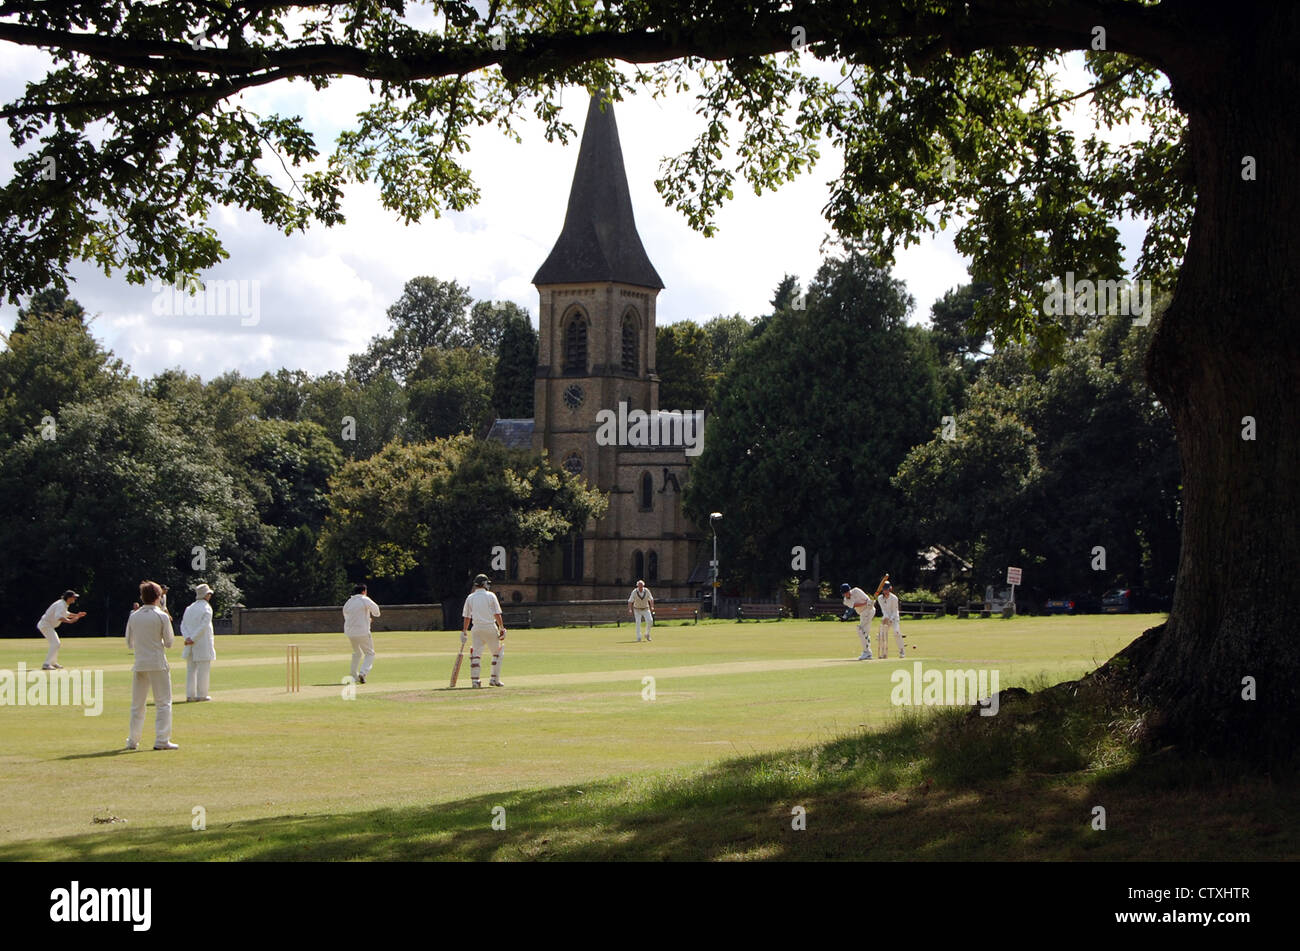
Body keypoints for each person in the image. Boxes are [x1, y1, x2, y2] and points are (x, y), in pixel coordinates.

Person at [125, 580, 178, 750]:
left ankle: (132, 741)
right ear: (158, 597)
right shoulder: (161, 615)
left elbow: (129, 643)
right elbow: (170, 642)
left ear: (142, 597)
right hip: (157, 663)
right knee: (163, 703)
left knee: (137, 705)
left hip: (140, 663)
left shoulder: (134, 616)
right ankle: (162, 740)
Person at [461, 574, 506, 688]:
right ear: (485, 584)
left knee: (475, 654)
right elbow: (497, 613)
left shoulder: (470, 597)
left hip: (476, 629)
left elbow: (467, 617)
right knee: (497, 653)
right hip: (490, 627)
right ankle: (494, 679)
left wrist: (464, 631)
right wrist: (501, 628)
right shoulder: (490, 596)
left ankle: (475, 681)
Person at [181, 583, 216, 701]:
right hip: (202, 643)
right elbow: (203, 625)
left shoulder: (189, 608)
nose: (210, 596)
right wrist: (192, 638)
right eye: (209, 594)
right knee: (203, 670)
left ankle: (190, 695)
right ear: (205, 595)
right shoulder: (206, 608)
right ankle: (202, 695)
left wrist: (188, 638)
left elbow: (183, 625)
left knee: (191, 670)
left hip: (190, 643)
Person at [37, 589, 87, 670]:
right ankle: (46, 664)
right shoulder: (61, 604)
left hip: (47, 625)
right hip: (45, 625)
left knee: (55, 644)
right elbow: (58, 617)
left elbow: (66, 614)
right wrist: (70, 621)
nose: (75, 599)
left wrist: (77, 615)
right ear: (69, 598)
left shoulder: (63, 604)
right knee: (56, 643)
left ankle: (53, 663)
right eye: (74, 597)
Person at [342, 583, 381, 684]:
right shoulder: (364, 599)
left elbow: (347, 616)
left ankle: (353, 675)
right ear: (363, 591)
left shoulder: (348, 602)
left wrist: (367, 619)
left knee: (357, 653)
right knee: (370, 653)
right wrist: (371, 617)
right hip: (363, 631)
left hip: (350, 632)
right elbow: (376, 610)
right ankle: (363, 673)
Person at [840, 582, 875, 660]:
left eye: (847, 592)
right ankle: (868, 653)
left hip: (869, 610)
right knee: (864, 632)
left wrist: (869, 602)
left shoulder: (856, 590)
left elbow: (866, 598)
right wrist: (866, 603)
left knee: (860, 630)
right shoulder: (846, 601)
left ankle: (867, 653)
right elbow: (855, 605)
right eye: (844, 594)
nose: (846, 595)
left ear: (849, 590)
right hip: (863, 613)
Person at [876, 581, 905, 658]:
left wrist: (891, 619)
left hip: (894, 618)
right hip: (886, 617)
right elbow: (883, 610)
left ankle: (902, 651)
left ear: (890, 589)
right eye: (884, 590)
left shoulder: (894, 598)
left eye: (887, 590)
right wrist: (885, 617)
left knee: (896, 632)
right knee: (881, 635)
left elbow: (895, 611)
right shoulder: (880, 598)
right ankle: (883, 653)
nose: (886, 591)